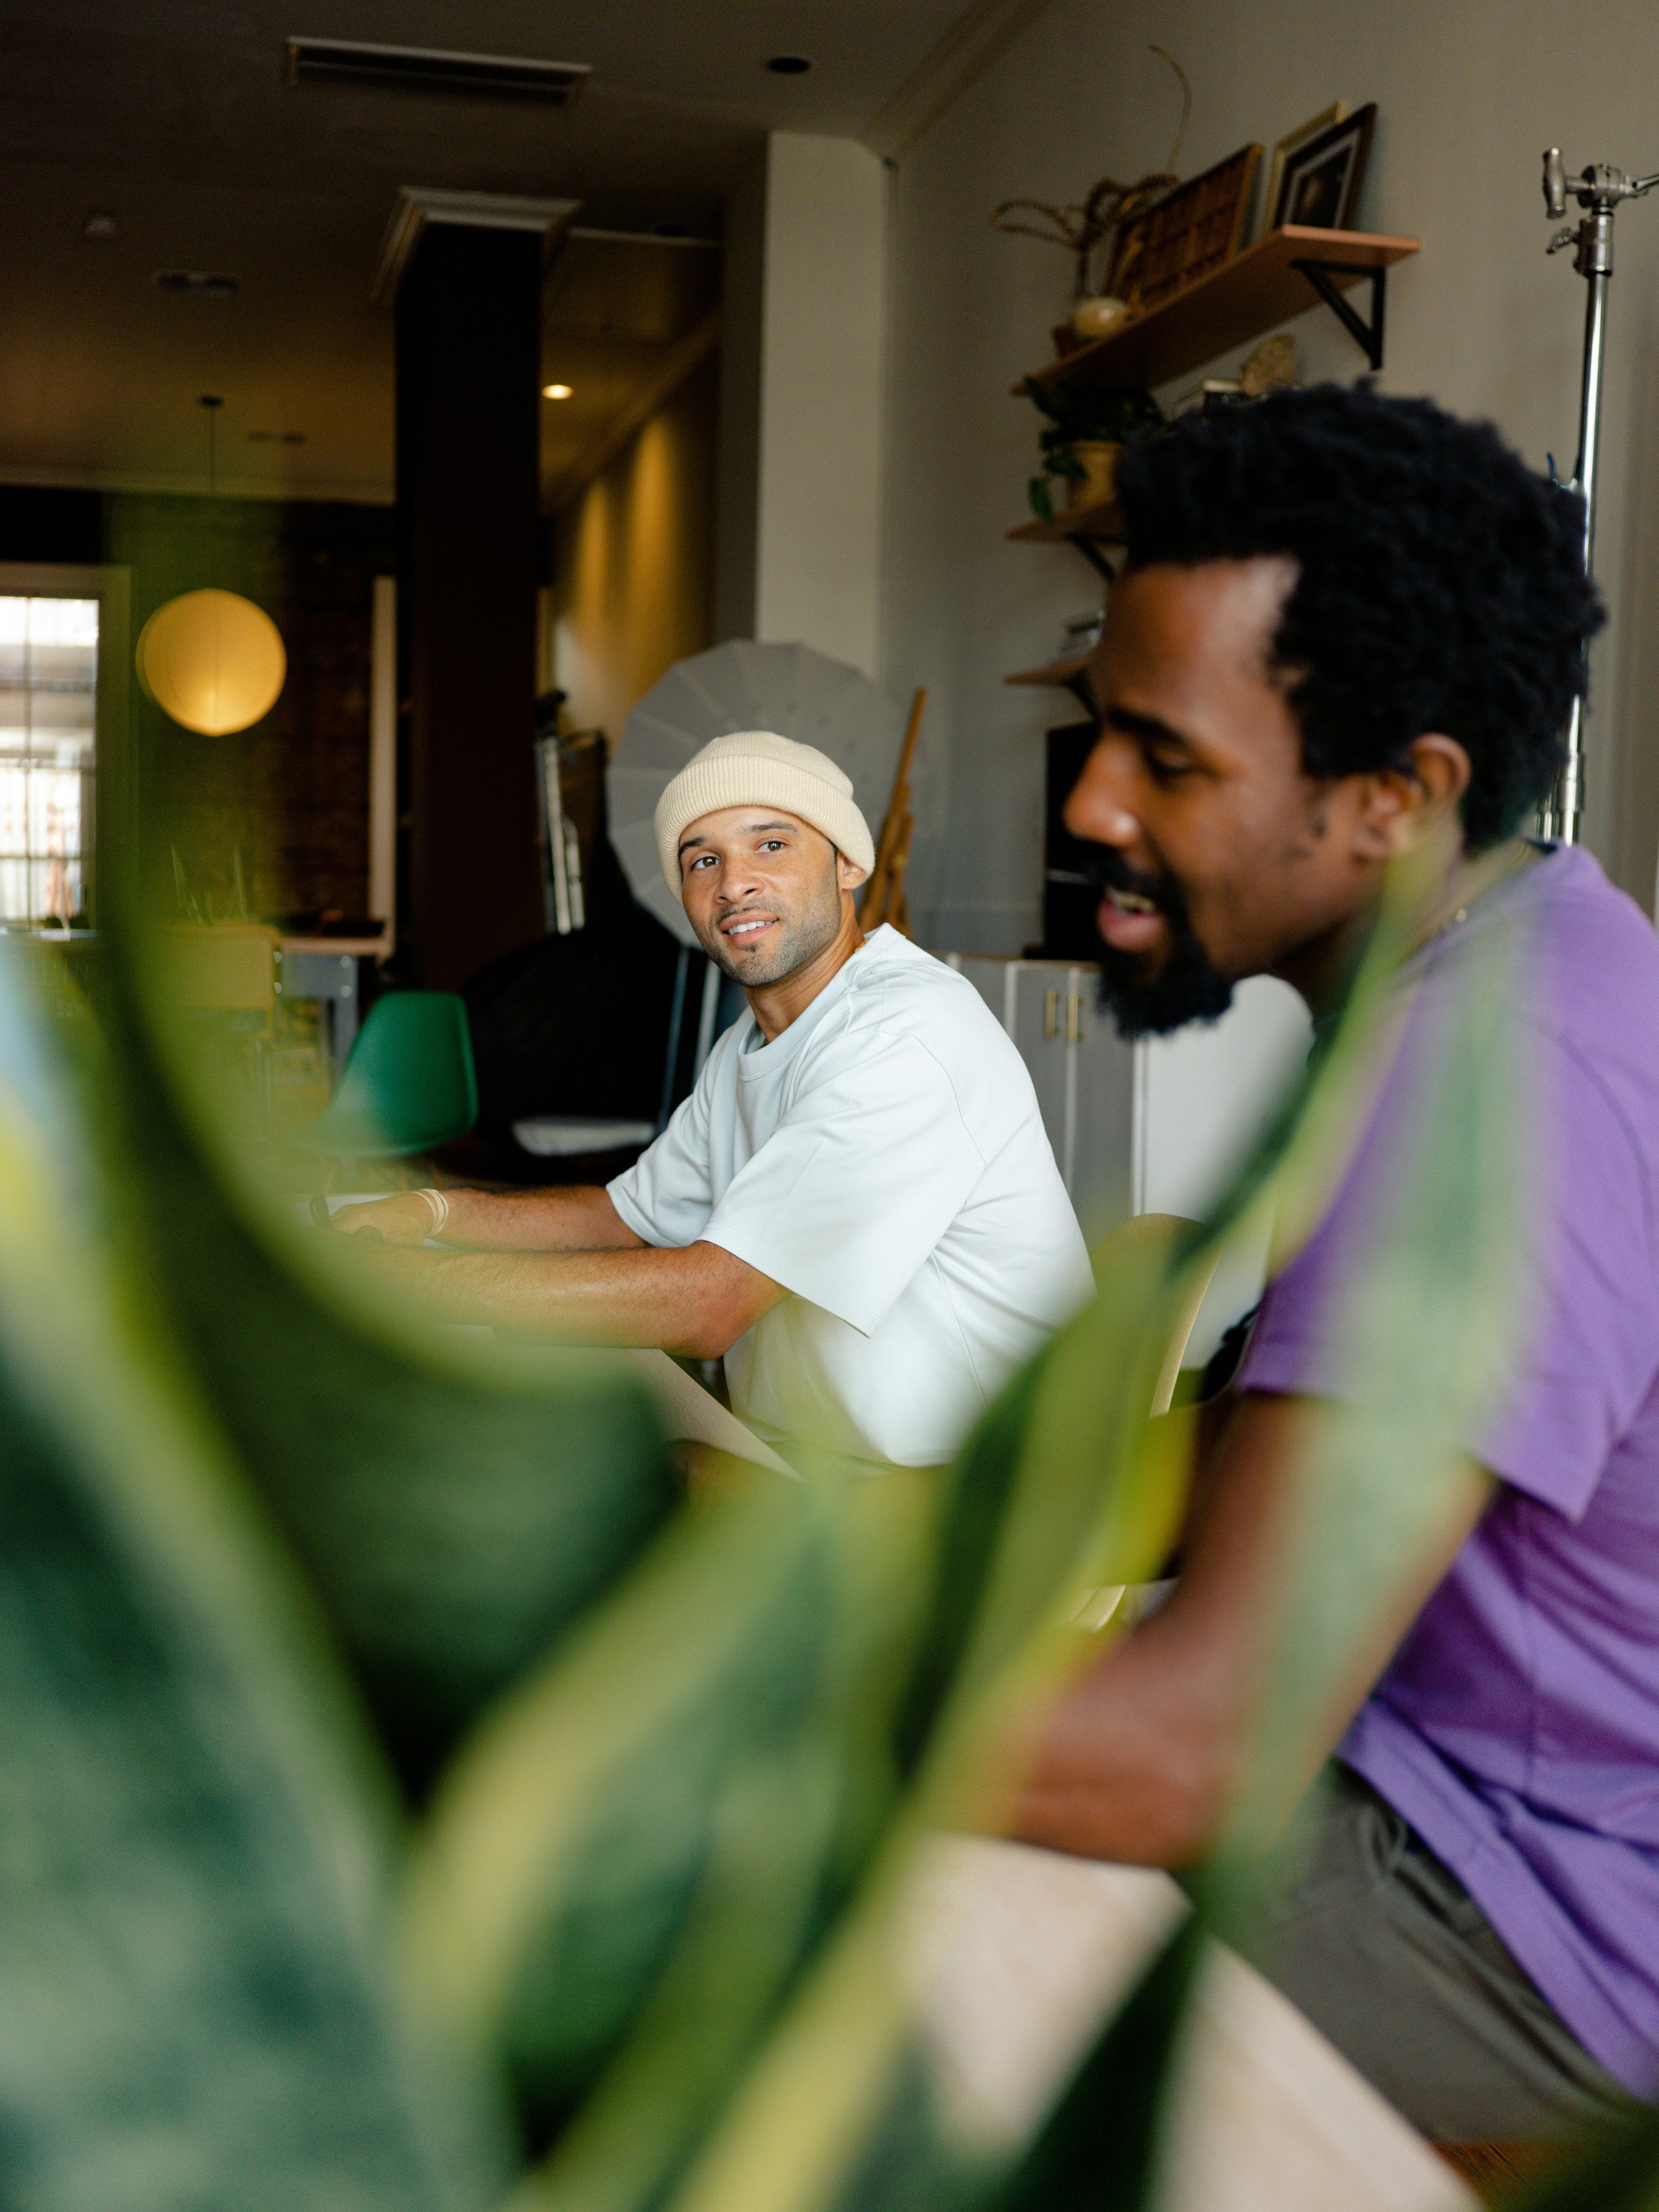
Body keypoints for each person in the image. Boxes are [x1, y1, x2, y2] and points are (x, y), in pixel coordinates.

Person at [1006, 383, 1657, 2143]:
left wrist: (698, 1685)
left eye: (1167, 759)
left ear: (1395, 795)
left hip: (1530, 1919)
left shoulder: (1489, 1077)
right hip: (1431, 1794)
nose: (1092, 802)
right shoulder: (1528, 953)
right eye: (1100, 732)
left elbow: (1197, 1749)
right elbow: (1248, 1473)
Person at [335, 730, 1093, 1472]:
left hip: (979, 1491)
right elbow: (624, 1219)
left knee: (558, 1471)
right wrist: (433, 1214)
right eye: (704, 860)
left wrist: (422, 1288)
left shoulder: (906, 1033)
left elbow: (712, 1305)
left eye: (771, 845)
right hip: (817, 1463)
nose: (734, 883)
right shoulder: (745, 1046)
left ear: (848, 863)